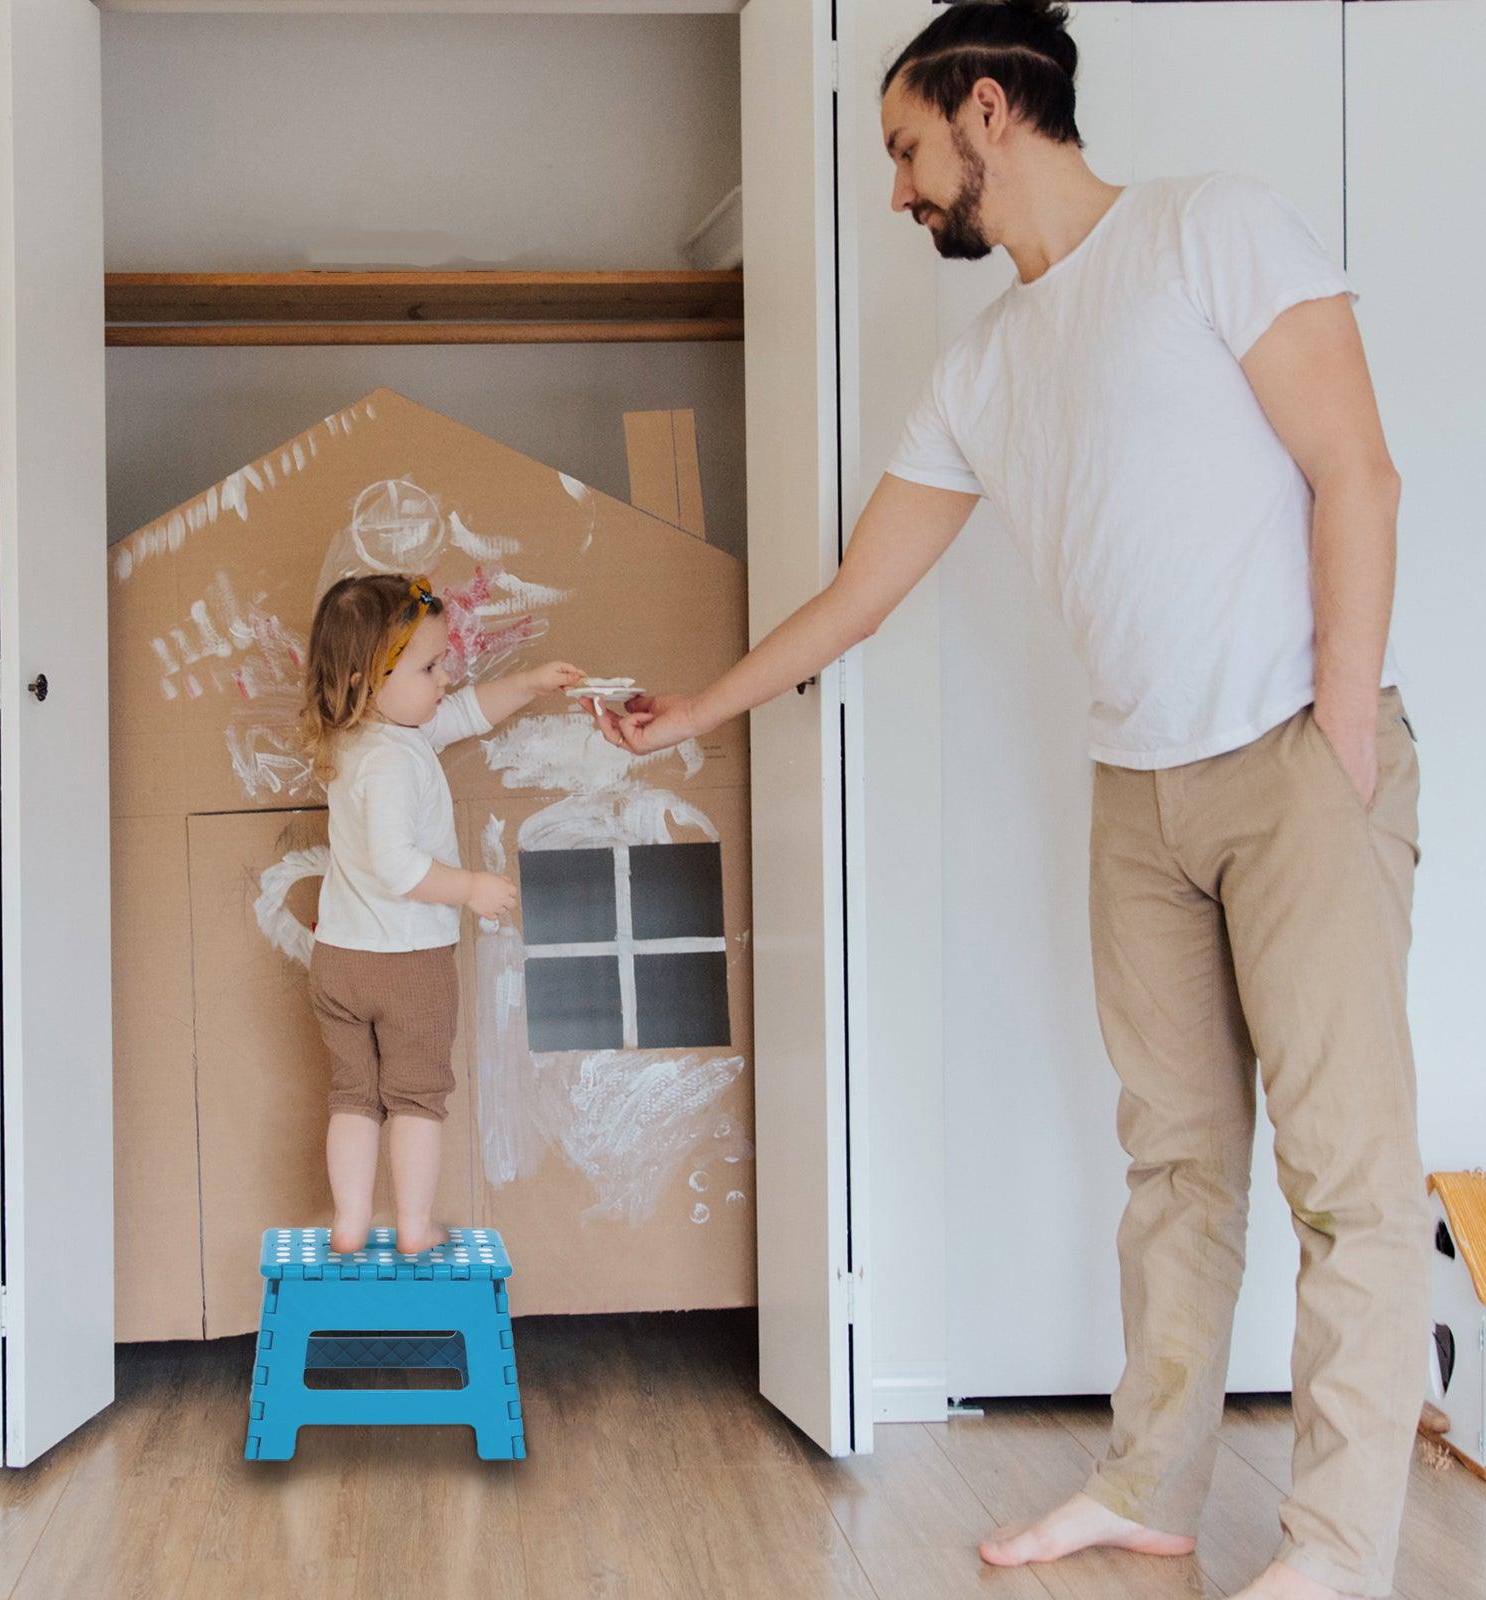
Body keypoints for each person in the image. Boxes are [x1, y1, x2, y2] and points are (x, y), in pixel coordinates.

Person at [588, 3, 1426, 1597]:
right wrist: (697, 707)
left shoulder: (1210, 229)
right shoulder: (984, 369)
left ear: (987, 110)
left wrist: (1337, 730)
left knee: (1348, 1183)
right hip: (1141, 792)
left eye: (906, 149)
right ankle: (1151, 1486)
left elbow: (1358, 473)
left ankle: (1338, 1555)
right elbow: (860, 596)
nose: (899, 193)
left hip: (1297, 762)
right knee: (1175, 1168)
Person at [299, 572, 583, 1256]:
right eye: (429, 666)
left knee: (353, 1097)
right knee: (417, 1100)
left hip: (339, 959)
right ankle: (415, 1227)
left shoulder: (360, 740)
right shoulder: (396, 762)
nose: (445, 676)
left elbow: (466, 711)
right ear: (372, 678)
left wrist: (532, 682)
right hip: (408, 966)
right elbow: (399, 868)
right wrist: (470, 888)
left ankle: (348, 1223)